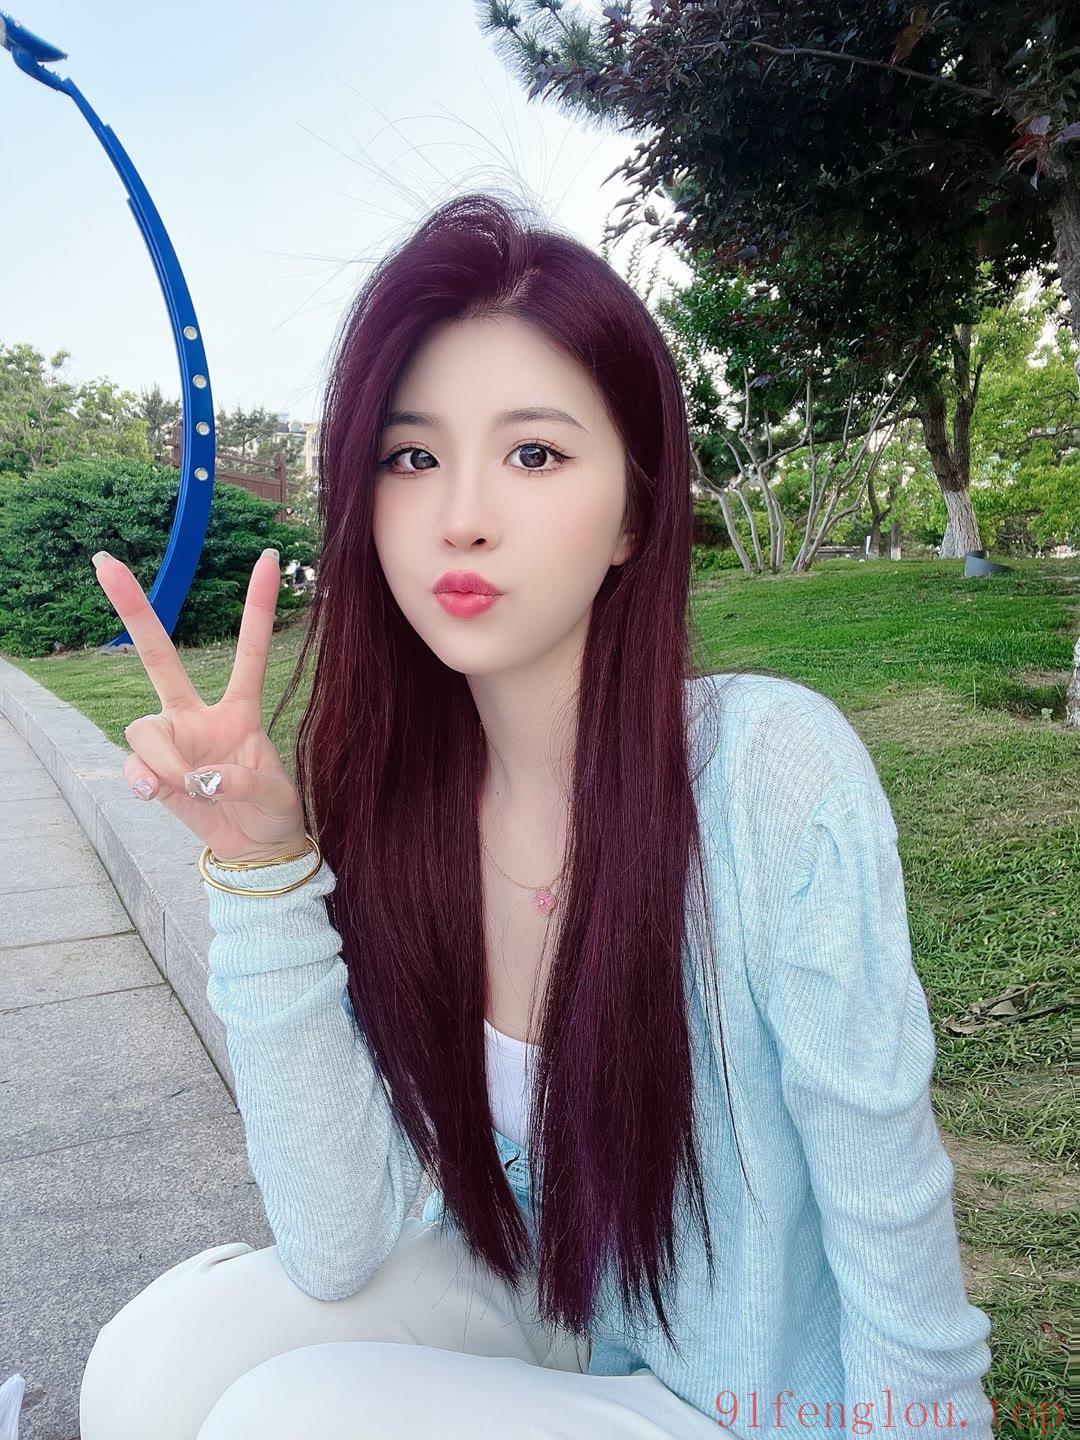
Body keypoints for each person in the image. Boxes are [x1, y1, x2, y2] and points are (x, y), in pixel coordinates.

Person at [78, 192, 994, 1439]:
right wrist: (261, 865)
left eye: (535, 455)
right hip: (536, 1315)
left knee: (284, 1420)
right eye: (412, 457)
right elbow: (340, 1239)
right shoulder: (397, 800)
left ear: (634, 512)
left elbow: (893, 1216)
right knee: (154, 1368)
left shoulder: (768, 772)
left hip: (745, 1401)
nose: (461, 514)